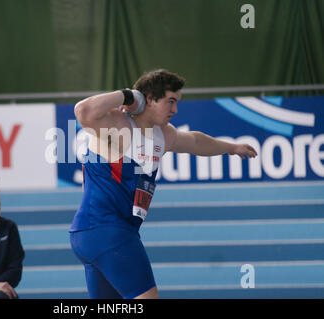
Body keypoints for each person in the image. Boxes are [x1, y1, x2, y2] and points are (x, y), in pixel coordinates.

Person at [69, 69, 258, 299]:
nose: (175, 110)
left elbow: (196, 141)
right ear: (148, 99)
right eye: (170, 101)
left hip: (98, 235)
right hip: (106, 229)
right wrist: (128, 95)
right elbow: (83, 110)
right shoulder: (117, 125)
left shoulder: (163, 135)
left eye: (177, 102)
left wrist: (231, 148)